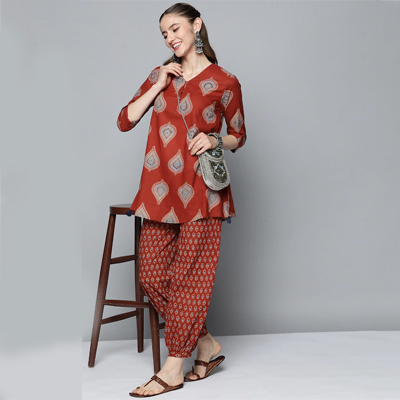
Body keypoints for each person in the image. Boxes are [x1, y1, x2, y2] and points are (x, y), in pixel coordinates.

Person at [116, 3, 247, 397]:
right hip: (159, 191)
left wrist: (214, 139)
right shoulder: (160, 75)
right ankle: (205, 343)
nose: (170, 38)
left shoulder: (225, 81)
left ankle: (173, 368)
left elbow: (238, 136)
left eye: (175, 28)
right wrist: (158, 83)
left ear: (197, 26)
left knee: (189, 278)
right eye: (164, 33)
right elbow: (125, 120)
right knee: (152, 275)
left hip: (203, 193)